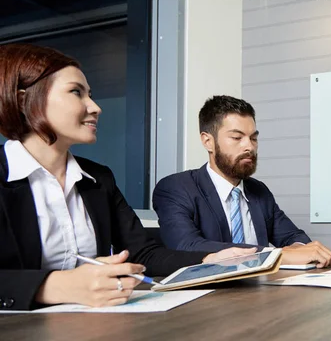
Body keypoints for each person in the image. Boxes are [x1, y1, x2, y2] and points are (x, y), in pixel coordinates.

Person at [0, 44, 255, 311]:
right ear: (23, 100)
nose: (95, 107)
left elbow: (144, 253)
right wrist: (59, 285)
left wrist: (211, 259)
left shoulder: (98, 178)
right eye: (76, 92)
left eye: (91, 95)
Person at [153, 95, 331, 268]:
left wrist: (297, 249)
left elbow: (294, 236)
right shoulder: (175, 188)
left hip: (259, 293)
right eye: (237, 138)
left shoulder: (258, 190)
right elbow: (186, 246)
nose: (249, 147)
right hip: (207, 296)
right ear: (208, 141)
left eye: (253, 138)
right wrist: (277, 255)